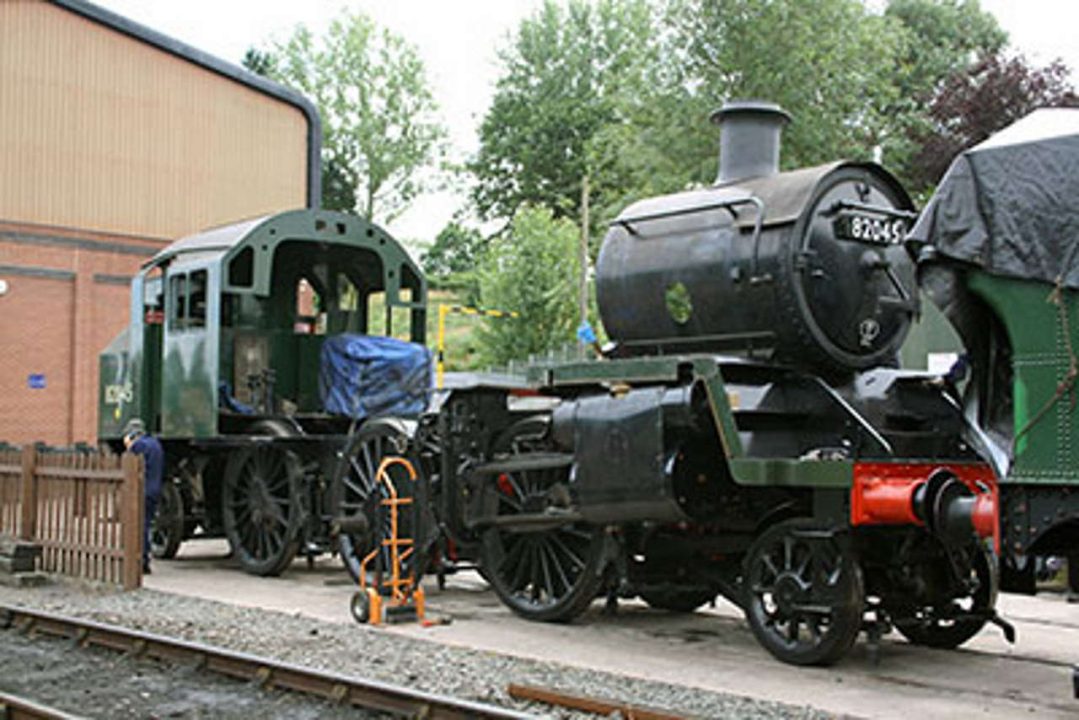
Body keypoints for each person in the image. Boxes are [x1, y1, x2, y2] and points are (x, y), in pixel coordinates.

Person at [122, 418, 164, 575]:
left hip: (142, 490)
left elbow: (129, 465)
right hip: (155, 489)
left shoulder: (138, 446)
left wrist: (129, 446)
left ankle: (142, 560)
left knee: (140, 525)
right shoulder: (156, 444)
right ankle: (145, 558)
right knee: (148, 523)